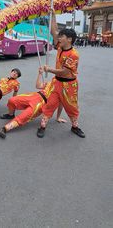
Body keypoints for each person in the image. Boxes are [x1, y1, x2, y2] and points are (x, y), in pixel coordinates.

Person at [37, 10, 85, 138]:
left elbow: (65, 72)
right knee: (50, 104)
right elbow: (54, 31)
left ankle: (75, 127)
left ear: (69, 39)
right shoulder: (60, 47)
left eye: (61, 36)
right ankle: (42, 126)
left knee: (72, 107)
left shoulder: (74, 54)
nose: (58, 38)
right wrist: (52, 15)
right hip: (56, 83)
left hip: (69, 85)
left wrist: (49, 69)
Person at [0, 67, 65, 139]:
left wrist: (58, 117)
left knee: (24, 116)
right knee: (12, 100)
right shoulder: (50, 83)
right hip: (34, 96)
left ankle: (4, 129)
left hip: (41, 103)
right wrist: (40, 74)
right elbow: (38, 86)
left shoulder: (62, 91)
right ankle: (11, 114)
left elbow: (61, 105)